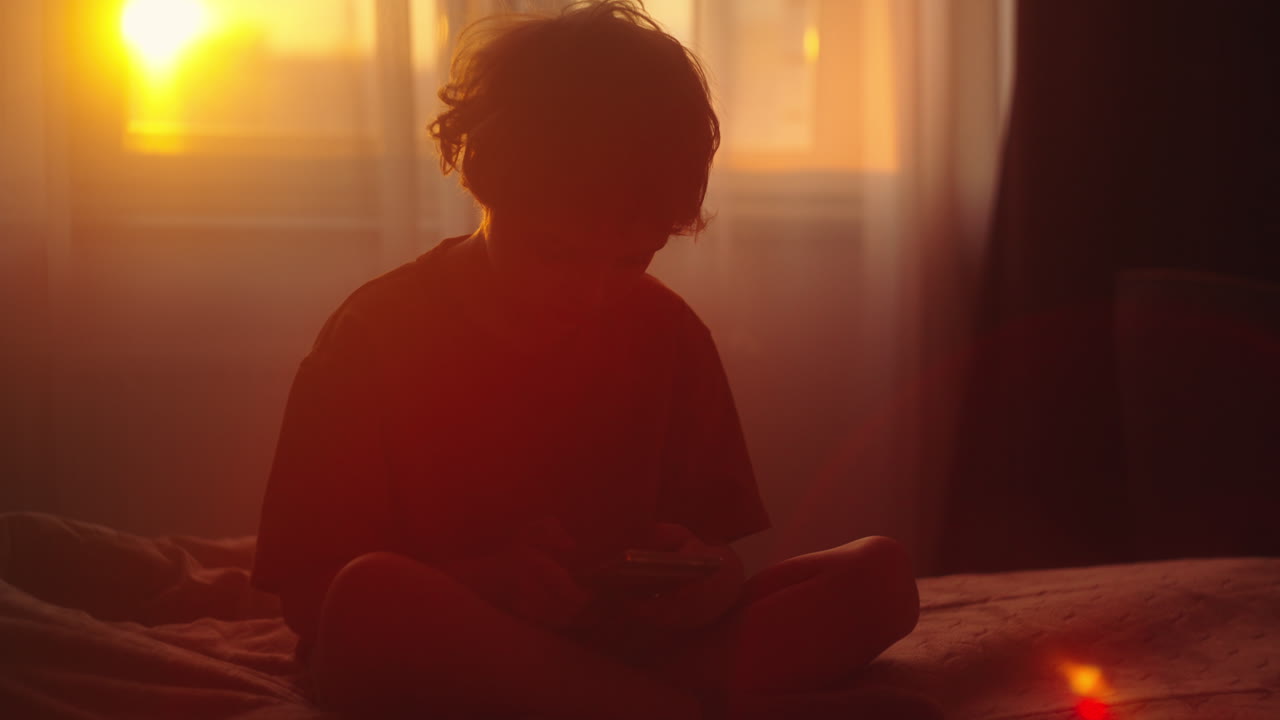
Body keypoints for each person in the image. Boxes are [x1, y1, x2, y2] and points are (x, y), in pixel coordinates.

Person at [250, 2, 924, 718]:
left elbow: (719, 553)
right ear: (486, 177)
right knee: (369, 599)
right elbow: (312, 599)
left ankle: (632, 703)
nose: (594, 292)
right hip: (469, 651)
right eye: (558, 253)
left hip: (628, 651)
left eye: (634, 258)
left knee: (877, 577)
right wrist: (488, 584)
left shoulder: (668, 333)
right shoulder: (374, 335)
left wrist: (708, 581)